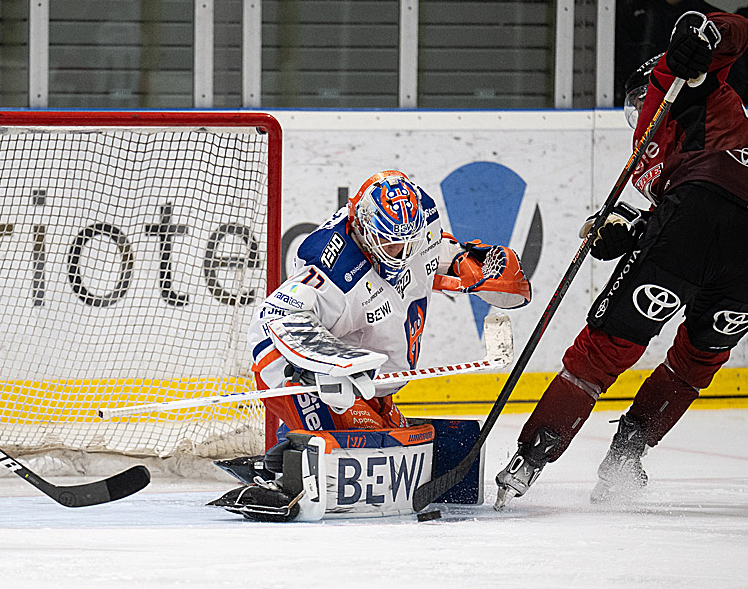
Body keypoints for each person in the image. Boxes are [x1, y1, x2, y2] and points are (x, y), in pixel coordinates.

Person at [494, 10, 748, 509]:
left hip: (706, 210)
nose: (640, 110)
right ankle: (625, 456)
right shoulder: (654, 155)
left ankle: (530, 459)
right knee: (698, 359)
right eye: (635, 105)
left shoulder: (682, 83)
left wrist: (699, 35)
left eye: (641, 101)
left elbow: (738, 33)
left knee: (603, 349)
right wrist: (623, 228)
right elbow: (671, 218)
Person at [210, 170, 531, 520]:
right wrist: (328, 362)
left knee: (393, 438)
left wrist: (466, 266)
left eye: (408, 243)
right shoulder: (333, 268)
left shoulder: (416, 224)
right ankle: (289, 464)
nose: (402, 253)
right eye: (392, 245)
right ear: (365, 230)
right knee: (360, 447)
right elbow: (272, 315)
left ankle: (285, 454)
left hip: (369, 377)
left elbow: (429, 255)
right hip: (303, 370)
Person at [613, 0, 722, 106]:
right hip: (641, 113)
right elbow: (619, 72)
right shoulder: (633, 17)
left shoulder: (710, 22)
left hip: (695, 116)